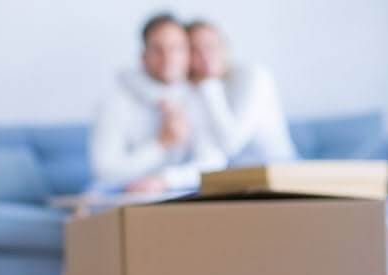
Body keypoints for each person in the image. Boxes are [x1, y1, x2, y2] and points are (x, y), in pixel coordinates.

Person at [90, 14, 227, 193]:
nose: (168, 57)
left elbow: (213, 163)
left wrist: (166, 180)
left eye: (176, 48)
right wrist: (161, 143)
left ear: (187, 54)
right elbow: (104, 171)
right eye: (157, 49)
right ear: (144, 56)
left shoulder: (196, 98)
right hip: (122, 195)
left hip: (177, 194)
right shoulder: (116, 102)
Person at [187, 20, 296, 165]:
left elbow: (231, 144)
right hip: (230, 174)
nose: (204, 56)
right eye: (194, 50)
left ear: (225, 47)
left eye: (210, 46)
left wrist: (208, 86)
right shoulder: (193, 88)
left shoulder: (253, 76)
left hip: (278, 167)